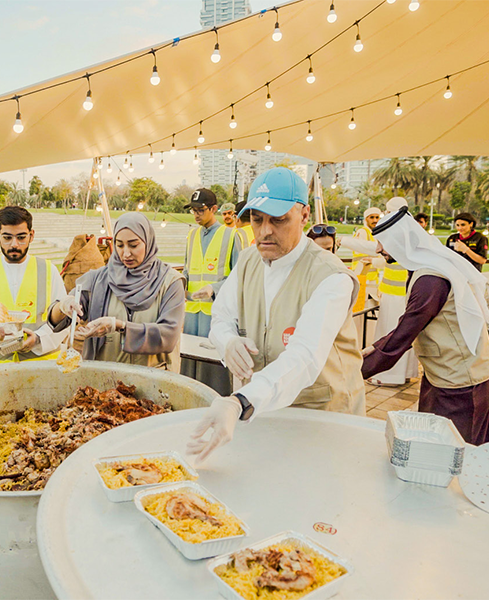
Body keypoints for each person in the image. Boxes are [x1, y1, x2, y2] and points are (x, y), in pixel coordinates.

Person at [188, 168, 365, 462]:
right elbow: (221, 316)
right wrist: (228, 342)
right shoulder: (248, 260)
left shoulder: (331, 277)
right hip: (264, 410)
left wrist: (240, 401)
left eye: (279, 220)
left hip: (323, 416)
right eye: (257, 219)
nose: (265, 231)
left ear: (304, 216)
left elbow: (304, 356)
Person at [362, 206, 489, 445]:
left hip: (461, 385)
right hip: (443, 376)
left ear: (400, 242)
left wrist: (354, 370)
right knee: (428, 446)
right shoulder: (423, 270)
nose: (379, 249)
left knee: (456, 455)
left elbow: (403, 335)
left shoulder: (430, 281)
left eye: (382, 242)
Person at [48, 213, 186, 371]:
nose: (126, 254)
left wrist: (120, 326)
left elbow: (168, 336)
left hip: (153, 380)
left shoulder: (170, 282)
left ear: (148, 242)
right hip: (105, 382)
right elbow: (57, 320)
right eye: (120, 245)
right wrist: (64, 306)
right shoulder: (98, 279)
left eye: (133, 245)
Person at [0, 206, 66, 364]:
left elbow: (63, 321)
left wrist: (38, 339)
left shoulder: (49, 270)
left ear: (31, 235)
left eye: (21, 237)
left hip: (41, 366)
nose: (14, 244)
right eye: (7, 238)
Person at [179, 189, 234, 394]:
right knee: (189, 369)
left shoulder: (231, 236)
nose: (196, 214)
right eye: (193, 210)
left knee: (214, 371)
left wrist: (214, 289)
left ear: (214, 209)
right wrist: (180, 284)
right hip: (192, 314)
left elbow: (240, 277)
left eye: (200, 210)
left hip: (217, 315)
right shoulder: (192, 235)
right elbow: (186, 269)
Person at [367, 197, 418, 386]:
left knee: (392, 332)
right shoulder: (409, 230)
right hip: (399, 292)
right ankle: (404, 373)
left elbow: (375, 250)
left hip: (397, 294)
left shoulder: (396, 232)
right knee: (403, 332)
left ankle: (389, 376)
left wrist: (344, 241)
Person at [351, 207, 383, 300]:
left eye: (377, 217)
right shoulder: (363, 232)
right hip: (362, 277)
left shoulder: (374, 234)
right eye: (372, 217)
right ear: (366, 219)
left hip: (371, 279)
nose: (375, 220)